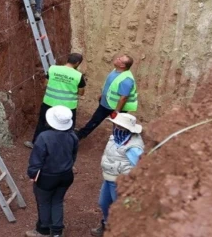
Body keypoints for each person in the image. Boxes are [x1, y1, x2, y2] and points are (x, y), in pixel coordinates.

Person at [26, 105, 79, 237]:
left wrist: (33, 174)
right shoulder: (73, 136)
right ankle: (57, 232)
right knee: (57, 201)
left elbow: (36, 160)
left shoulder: (44, 137)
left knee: (44, 203)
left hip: (47, 178)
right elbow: (73, 156)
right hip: (66, 176)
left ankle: (43, 230)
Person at [90, 113, 144, 236]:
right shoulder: (114, 138)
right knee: (104, 203)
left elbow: (140, 168)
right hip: (108, 179)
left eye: (119, 126)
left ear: (127, 129)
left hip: (120, 183)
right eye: (115, 125)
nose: (115, 128)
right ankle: (107, 226)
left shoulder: (134, 148)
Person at [25, 53, 86, 149]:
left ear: (68, 59)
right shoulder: (78, 76)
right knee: (68, 127)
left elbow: (46, 84)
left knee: (42, 123)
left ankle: (35, 143)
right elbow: (81, 92)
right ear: (77, 63)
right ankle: (65, 148)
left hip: (49, 102)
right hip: (68, 106)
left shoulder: (53, 69)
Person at [75, 54, 137, 140]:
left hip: (115, 107)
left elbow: (123, 98)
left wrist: (117, 111)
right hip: (106, 103)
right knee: (95, 120)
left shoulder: (126, 80)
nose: (117, 58)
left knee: (117, 126)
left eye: (120, 59)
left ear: (122, 65)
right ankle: (81, 134)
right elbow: (110, 85)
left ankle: (118, 141)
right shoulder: (115, 71)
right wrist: (103, 95)